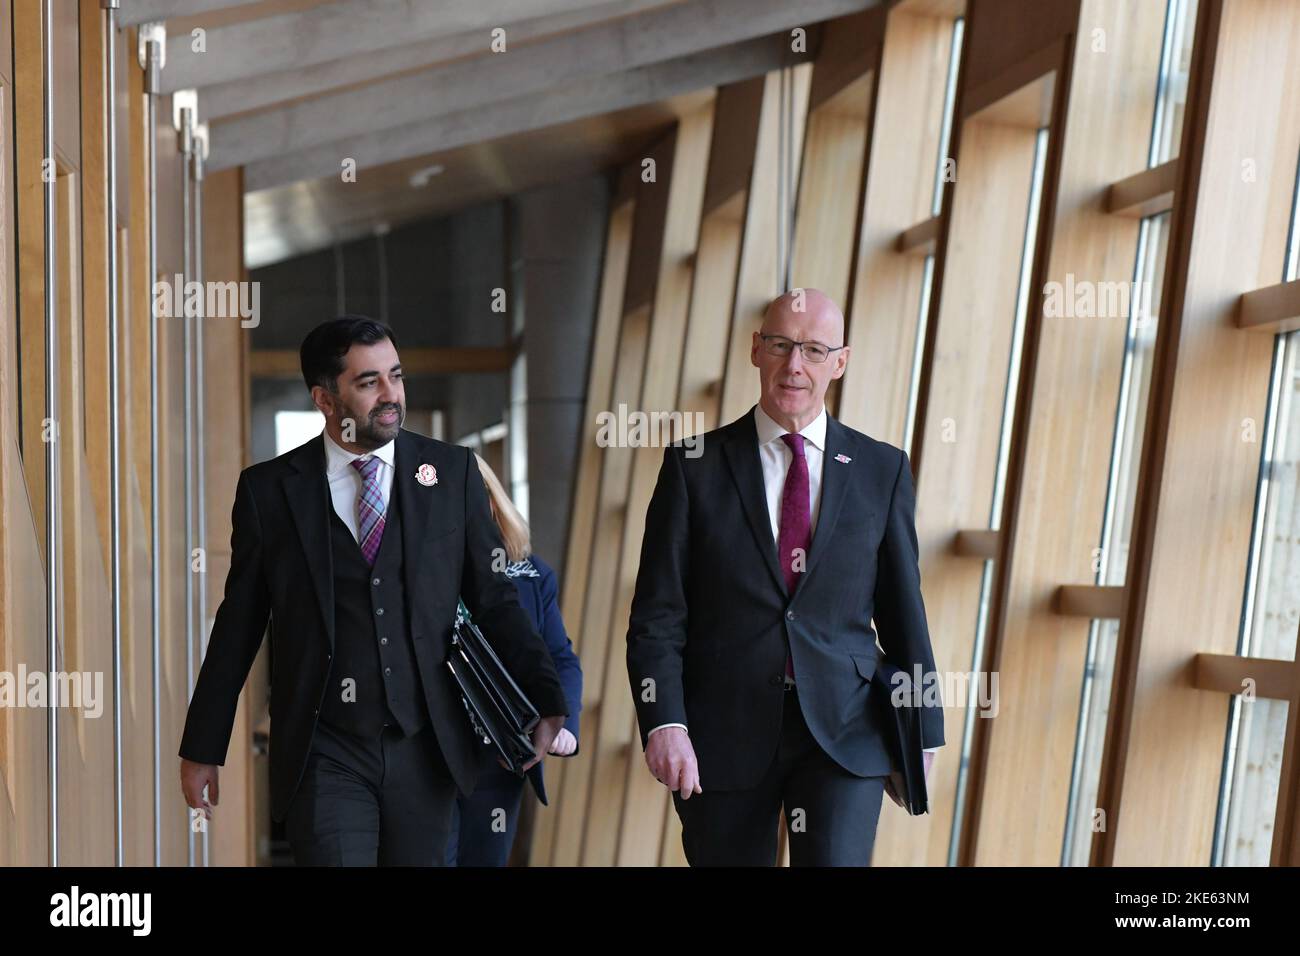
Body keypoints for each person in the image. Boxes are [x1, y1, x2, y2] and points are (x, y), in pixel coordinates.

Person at [178, 315, 568, 866]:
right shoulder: (270, 491)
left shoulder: (450, 472)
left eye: (396, 376)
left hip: (425, 745)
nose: (391, 396)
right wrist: (202, 746)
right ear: (324, 398)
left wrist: (547, 696)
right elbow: (239, 624)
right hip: (325, 749)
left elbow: (494, 598)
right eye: (368, 382)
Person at [625, 287, 944, 866]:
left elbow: (904, 612)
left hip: (845, 730)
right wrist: (664, 722)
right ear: (756, 351)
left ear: (839, 363)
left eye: (814, 350)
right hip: (721, 732)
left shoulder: (881, 469)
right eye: (780, 345)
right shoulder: (693, 467)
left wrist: (924, 724)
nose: (794, 365)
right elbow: (657, 616)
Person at [444, 455, 583, 866]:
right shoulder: (416, 574)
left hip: (500, 757)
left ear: (492, 502)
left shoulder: (532, 574)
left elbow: (559, 656)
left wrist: (563, 722)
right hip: (430, 755)